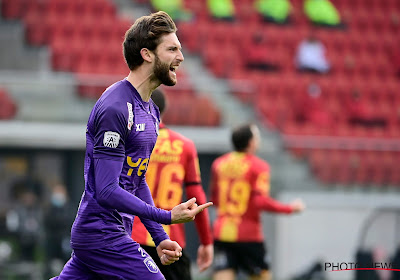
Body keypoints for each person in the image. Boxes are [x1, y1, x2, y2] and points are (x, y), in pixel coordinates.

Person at [52, 11, 212, 280]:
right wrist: (165, 216)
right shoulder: (116, 107)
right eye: (172, 49)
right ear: (147, 54)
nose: (180, 58)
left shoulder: (151, 111)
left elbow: (137, 181)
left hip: (112, 232)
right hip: (101, 233)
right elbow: (106, 189)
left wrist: (159, 237)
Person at [131, 88, 214, 280]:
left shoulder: (131, 140)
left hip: (132, 236)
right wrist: (206, 241)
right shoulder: (185, 145)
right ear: (164, 109)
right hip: (171, 241)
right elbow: (197, 198)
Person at [210, 123, 305, 280]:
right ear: (251, 142)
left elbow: (215, 199)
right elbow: (260, 202)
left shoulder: (219, 164)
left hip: (222, 232)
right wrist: (290, 209)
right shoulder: (259, 166)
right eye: (257, 136)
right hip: (249, 236)